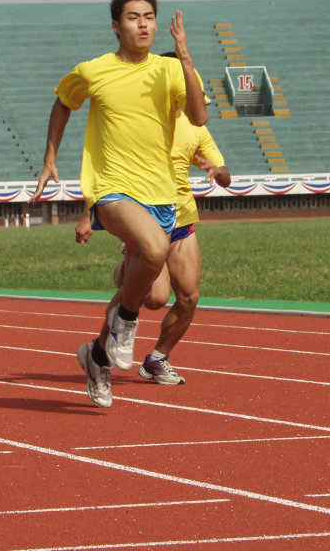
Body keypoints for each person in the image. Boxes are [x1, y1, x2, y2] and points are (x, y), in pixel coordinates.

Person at [29, 0, 208, 407]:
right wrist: (50, 157)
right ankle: (124, 323)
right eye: (133, 17)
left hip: (160, 194)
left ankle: (97, 356)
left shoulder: (170, 70)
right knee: (155, 248)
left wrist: (185, 57)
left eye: (149, 17)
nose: (143, 24)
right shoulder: (94, 71)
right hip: (110, 188)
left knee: (154, 291)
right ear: (116, 26)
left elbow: (199, 117)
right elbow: (63, 103)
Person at [75, 105, 231, 405]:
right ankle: (125, 279)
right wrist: (87, 215)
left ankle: (157, 359)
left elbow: (226, 177)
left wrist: (218, 171)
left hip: (182, 219)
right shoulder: (143, 120)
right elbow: (104, 170)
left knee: (189, 297)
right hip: (148, 220)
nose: (198, 103)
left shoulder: (197, 129)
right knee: (155, 298)